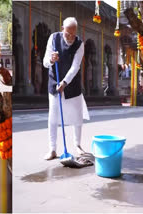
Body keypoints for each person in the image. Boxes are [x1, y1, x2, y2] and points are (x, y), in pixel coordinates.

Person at [43, 17, 90, 160]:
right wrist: (51, 59)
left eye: (73, 34)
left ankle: (77, 145)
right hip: (54, 81)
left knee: (77, 116)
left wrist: (64, 82)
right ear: (62, 28)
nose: (70, 37)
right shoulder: (54, 38)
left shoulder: (79, 44)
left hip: (72, 83)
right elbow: (45, 62)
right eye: (67, 33)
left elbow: (75, 67)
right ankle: (52, 149)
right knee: (53, 116)